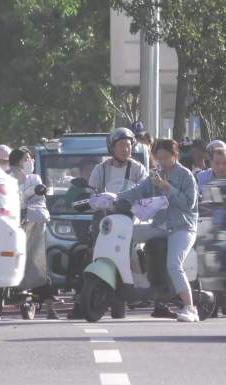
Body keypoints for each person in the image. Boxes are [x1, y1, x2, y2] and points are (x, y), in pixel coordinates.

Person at [66, 127, 148, 320]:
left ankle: (134, 290)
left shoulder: (138, 168)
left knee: (135, 252)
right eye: (121, 145)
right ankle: (80, 301)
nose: (125, 149)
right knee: (91, 252)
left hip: (130, 217)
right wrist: (92, 198)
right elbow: (92, 191)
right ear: (112, 148)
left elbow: (146, 190)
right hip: (105, 219)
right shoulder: (100, 169)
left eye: (128, 145)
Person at [119, 139, 200, 322]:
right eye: (158, 158)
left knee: (174, 264)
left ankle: (190, 307)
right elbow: (139, 191)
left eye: (165, 158)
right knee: (126, 234)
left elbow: (189, 204)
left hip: (182, 227)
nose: (161, 162)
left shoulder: (186, 175)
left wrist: (168, 188)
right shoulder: (156, 174)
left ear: (175, 156)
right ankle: (136, 279)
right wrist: (114, 198)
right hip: (160, 225)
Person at [8, 147, 59, 320]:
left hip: (34, 224)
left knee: (39, 263)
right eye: (26, 159)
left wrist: (32, 210)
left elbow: (39, 200)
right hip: (14, 226)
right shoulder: (7, 178)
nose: (30, 162)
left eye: (30, 159)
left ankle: (51, 308)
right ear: (17, 162)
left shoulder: (35, 179)